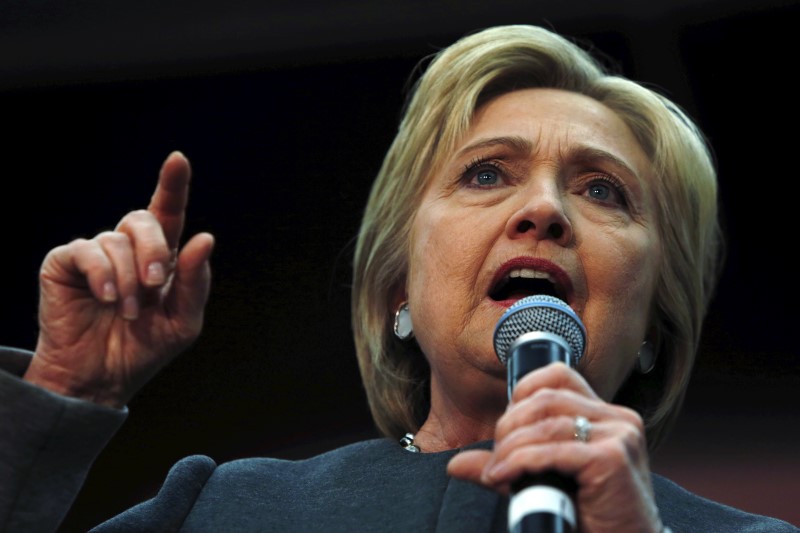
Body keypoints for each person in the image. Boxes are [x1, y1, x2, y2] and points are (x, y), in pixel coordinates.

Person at [0, 24, 797, 533]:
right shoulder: (221, 508)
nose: (546, 210)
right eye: (487, 174)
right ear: (398, 296)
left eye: (602, 191)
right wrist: (60, 395)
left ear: (658, 326)